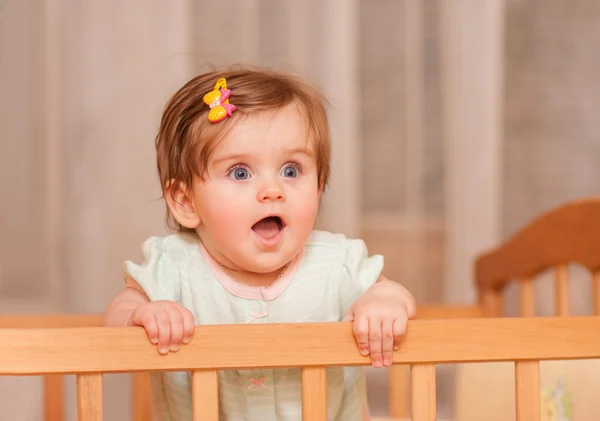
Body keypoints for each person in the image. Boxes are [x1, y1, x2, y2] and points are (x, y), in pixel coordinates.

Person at [103, 67, 416, 421]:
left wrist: (383, 302)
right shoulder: (175, 266)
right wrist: (140, 316)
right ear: (186, 201)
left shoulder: (336, 262)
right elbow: (115, 323)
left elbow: (396, 296)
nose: (272, 190)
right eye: (240, 172)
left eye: (291, 170)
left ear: (319, 184)